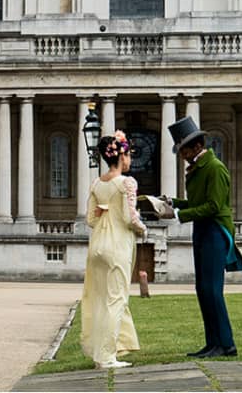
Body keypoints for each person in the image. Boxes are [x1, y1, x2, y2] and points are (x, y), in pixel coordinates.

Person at [163, 117, 242, 359]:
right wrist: (173, 203)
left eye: (183, 150)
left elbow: (213, 206)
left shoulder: (215, 168)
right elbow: (198, 203)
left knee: (212, 289)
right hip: (202, 229)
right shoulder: (199, 168)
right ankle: (213, 343)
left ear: (197, 147)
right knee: (202, 289)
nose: (181, 155)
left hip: (215, 230)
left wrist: (178, 214)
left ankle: (226, 343)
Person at [80, 130, 147, 370]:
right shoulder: (127, 183)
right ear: (122, 156)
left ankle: (100, 354)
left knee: (99, 299)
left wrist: (104, 212)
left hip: (97, 245)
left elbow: (90, 219)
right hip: (117, 245)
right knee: (116, 299)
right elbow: (131, 218)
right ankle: (107, 356)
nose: (130, 160)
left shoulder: (97, 183)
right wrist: (143, 228)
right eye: (129, 155)